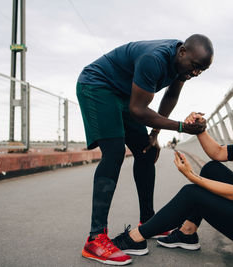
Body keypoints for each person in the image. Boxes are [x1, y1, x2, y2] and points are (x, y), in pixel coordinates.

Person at [112, 86, 233, 260]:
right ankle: (187, 233)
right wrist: (200, 129)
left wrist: (192, 176)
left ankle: (135, 238)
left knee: (191, 193)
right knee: (212, 168)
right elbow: (219, 152)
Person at [77, 34, 214, 265]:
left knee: (147, 151)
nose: (196, 73)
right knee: (114, 152)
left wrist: (154, 135)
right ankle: (95, 238)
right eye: (195, 67)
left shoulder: (183, 66)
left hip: (123, 94)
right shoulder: (154, 59)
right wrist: (182, 127)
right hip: (97, 85)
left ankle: (148, 223)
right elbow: (139, 110)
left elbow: (171, 94)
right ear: (182, 53)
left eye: (202, 70)